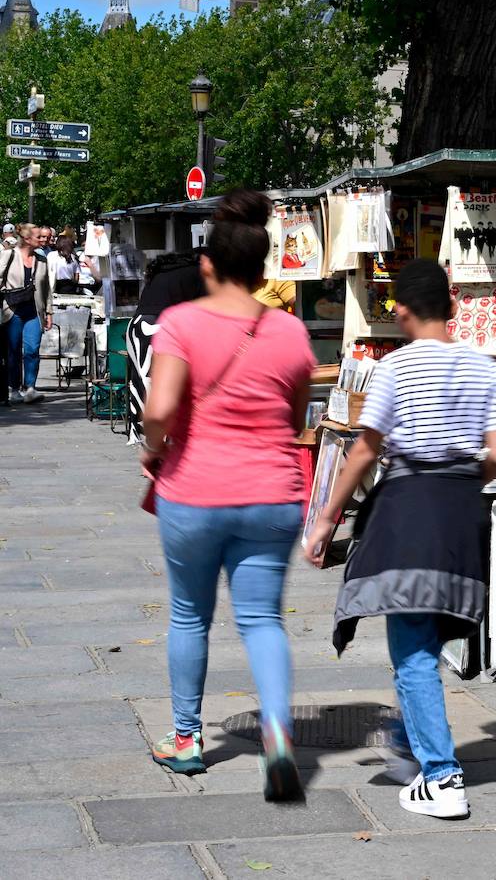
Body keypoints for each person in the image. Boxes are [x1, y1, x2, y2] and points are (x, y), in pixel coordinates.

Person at [305, 258, 496, 820]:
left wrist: (326, 517)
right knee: (429, 634)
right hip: (464, 510)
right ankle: (411, 740)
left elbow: (365, 449)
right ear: (450, 306)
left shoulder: (395, 369)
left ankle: (442, 777)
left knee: (413, 649)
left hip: (411, 509)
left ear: (401, 309)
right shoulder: (486, 369)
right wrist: (463, 485)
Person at [140, 189, 315, 801]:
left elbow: (161, 410)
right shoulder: (291, 332)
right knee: (263, 620)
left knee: (190, 615)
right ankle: (279, 741)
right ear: (264, 270)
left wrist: (153, 444)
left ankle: (187, 740)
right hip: (273, 492)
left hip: (195, 490)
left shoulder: (180, 324)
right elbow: (293, 417)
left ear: (207, 265)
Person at [127, 250, 209, 445]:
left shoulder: (165, 269)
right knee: (160, 380)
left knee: (140, 380)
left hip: (137, 324)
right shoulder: (197, 273)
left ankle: (140, 431)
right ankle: (160, 435)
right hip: (159, 325)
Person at [1, 224, 54, 404]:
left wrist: (49, 312)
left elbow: (47, 288)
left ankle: (30, 388)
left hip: (34, 311)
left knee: (32, 349)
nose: (43, 240)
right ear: (27, 239)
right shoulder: (8, 255)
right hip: (12, 310)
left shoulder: (42, 259)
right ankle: (13, 388)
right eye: (39, 237)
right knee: (13, 351)